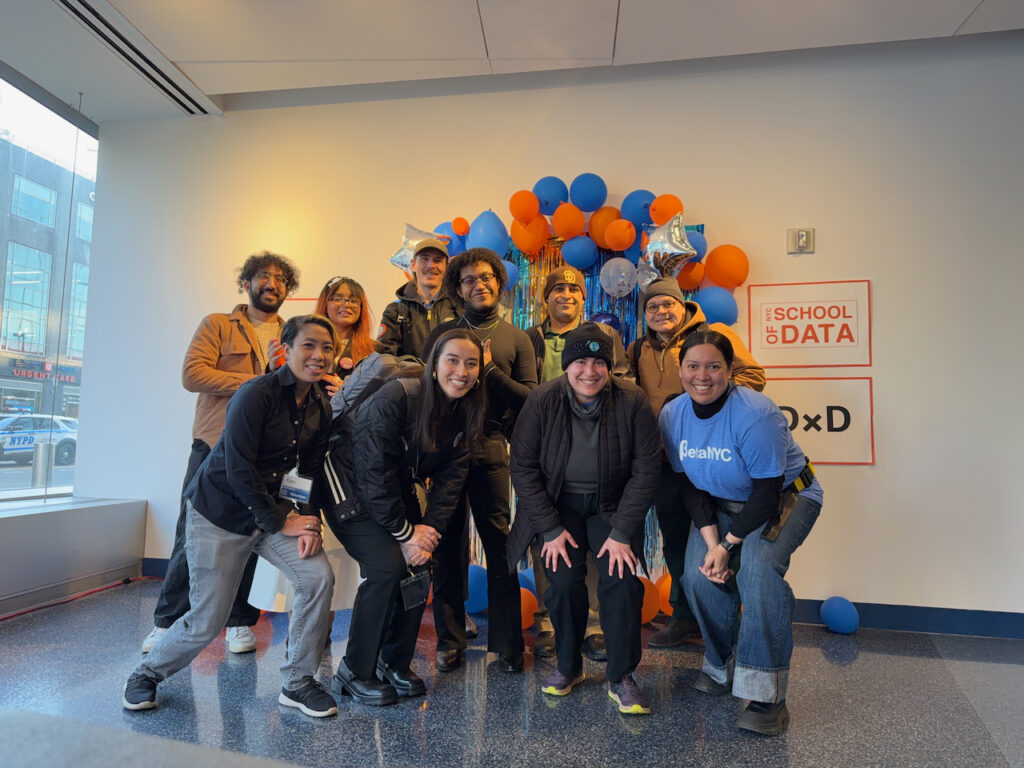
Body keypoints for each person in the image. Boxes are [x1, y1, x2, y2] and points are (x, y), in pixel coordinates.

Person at [123, 315, 339, 718]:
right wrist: (281, 521)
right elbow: (239, 468)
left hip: (271, 513)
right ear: (286, 349)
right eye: (309, 345)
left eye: (327, 348)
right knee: (209, 617)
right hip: (220, 513)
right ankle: (147, 674)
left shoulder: (320, 407)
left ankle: (297, 681)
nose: (318, 355)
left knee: (317, 576)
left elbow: (307, 470)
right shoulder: (255, 394)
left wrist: (309, 520)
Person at [659, 330, 822, 735]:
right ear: (680, 369)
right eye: (692, 366)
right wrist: (713, 544)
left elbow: (767, 493)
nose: (702, 376)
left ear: (730, 370)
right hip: (720, 503)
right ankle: (721, 667)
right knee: (697, 576)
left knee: (757, 574)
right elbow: (689, 484)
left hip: (786, 498)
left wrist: (730, 546)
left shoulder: (757, 413)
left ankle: (767, 696)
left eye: (714, 366)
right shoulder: (672, 414)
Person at [142, 252, 300, 656]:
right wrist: (260, 382)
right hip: (213, 445)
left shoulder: (291, 332)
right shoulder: (218, 324)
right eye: (263, 276)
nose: (272, 284)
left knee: (250, 532)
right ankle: (168, 623)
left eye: (281, 280)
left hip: (264, 453)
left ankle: (239, 622)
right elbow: (192, 374)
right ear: (246, 282)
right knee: (189, 534)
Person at [508, 324, 660, 714]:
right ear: (566, 364)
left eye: (598, 362)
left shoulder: (633, 400)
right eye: (580, 361)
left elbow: (647, 470)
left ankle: (621, 675)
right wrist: (550, 529)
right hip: (558, 507)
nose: (589, 371)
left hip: (611, 507)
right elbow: (522, 468)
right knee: (560, 583)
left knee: (622, 583)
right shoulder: (542, 399)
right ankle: (568, 665)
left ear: (609, 366)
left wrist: (624, 531)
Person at [326, 329, 485, 704]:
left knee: (419, 566)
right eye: (452, 360)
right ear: (433, 364)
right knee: (386, 568)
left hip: (393, 486)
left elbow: (452, 478)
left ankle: (392, 662)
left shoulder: (469, 406)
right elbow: (371, 472)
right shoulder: (397, 395)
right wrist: (404, 532)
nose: (461, 371)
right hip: (347, 482)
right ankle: (354, 670)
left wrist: (428, 531)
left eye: (471, 363)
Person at [627, 278, 765, 649]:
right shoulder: (637, 348)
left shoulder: (712, 334)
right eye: (652, 307)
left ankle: (732, 621)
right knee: (676, 541)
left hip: (714, 457)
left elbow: (754, 375)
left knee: (725, 539)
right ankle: (684, 617)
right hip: (666, 461)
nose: (660, 312)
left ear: (682, 304)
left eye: (667, 304)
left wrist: (698, 400)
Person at [422, 247, 538, 673]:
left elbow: (531, 399)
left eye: (486, 277)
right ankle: (449, 641)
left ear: (499, 283)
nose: (479, 284)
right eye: (469, 279)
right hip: (445, 450)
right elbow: (428, 393)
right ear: (457, 288)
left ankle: (507, 646)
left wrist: (489, 372)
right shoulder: (441, 336)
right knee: (446, 547)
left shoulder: (516, 337)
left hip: (491, 448)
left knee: (500, 546)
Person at [523, 265, 629, 661]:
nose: (566, 295)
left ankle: (595, 624)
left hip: (597, 450)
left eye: (574, 289)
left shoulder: (606, 336)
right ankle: (549, 620)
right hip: (545, 453)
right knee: (547, 539)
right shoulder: (529, 338)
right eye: (557, 289)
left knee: (598, 544)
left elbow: (621, 382)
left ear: (585, 298)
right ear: (544, 297)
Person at [377, 238, 459, 358]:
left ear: (446, 267)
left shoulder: (459, 307)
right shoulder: (395, 311)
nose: (431, 265)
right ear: (413, 265)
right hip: (408, 377)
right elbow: (384, 359)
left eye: (438, 260)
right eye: (425, 259)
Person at [314, 275, 382, 388]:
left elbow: (377, 396)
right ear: (325, 304)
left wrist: (347, 393)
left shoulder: (375, 351)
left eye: (354, 300)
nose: (346, 304)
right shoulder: (307, 346)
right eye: (337, 298)